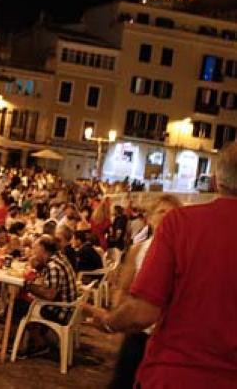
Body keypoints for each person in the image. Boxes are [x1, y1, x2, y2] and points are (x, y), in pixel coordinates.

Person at [89, 144, 237, 387]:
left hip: (177, 373)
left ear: (216, 179)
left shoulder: (181, 224)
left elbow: (143, 312)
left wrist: (108, 321)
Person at [84, 194, 181, 389]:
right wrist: (117, 316)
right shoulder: (139, 249)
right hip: (138, 331)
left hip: (166, 336)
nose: (166, 217)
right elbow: (123, 288)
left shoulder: (182, 252)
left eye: (172, 213)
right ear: (150, 219)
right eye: (161, 212)